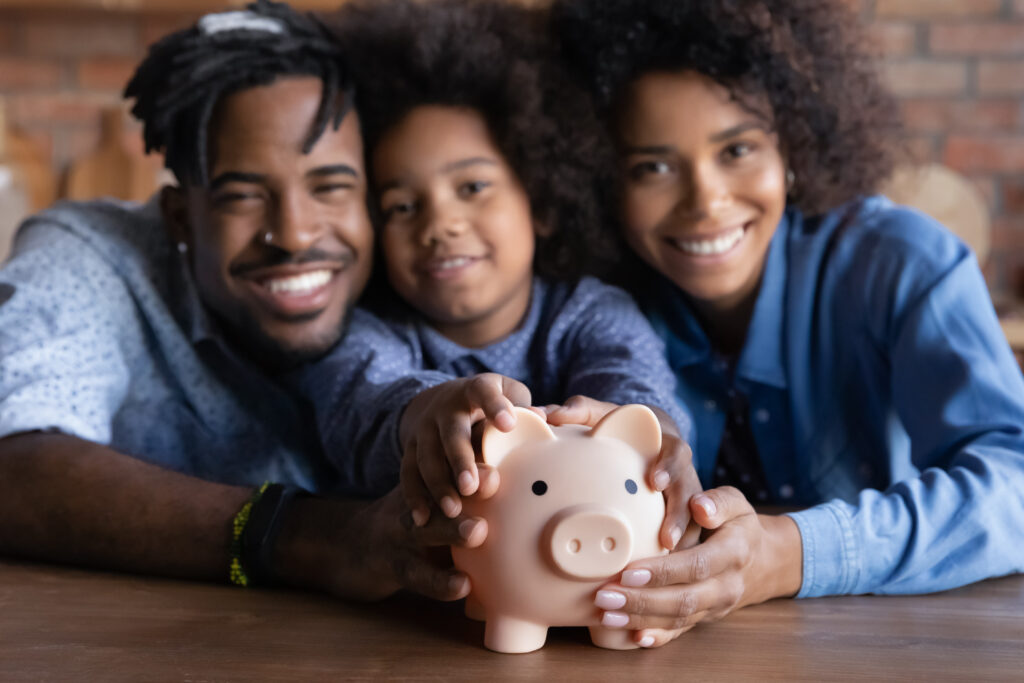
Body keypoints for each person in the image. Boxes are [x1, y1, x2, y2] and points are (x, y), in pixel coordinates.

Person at [551, 0, 1024, 648]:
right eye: (652, 167)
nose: (706, 200)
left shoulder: (903, 264)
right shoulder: (591, 308)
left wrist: (788, 552)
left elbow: (1016, 486)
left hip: (891, 650)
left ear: (794, 145)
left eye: (737, 148)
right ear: (599, 181)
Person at [0, 0, 508, 603]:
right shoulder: (93, 258)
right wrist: (311, 538)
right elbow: (12, 460)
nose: (293, 234)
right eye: (241, 196)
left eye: (331, 188)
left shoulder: (426, 260)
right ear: (179, 218)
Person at [301, 0, 700, 552]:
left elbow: (633, 381)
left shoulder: (590, 313)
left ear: (541, 199)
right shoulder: (367, 332)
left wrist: (653, 429)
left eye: (473, 187)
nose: (440, 224)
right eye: (400, 206)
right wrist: (431, 416)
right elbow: (362, 406)